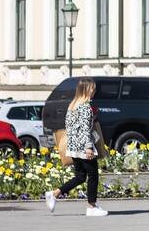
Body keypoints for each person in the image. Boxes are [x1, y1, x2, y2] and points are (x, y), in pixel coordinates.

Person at [45, 78, 108, 216]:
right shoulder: (85, 107)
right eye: (92, 88)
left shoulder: (72, 105)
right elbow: (85, 129)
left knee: (80, 176)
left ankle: (54, 194)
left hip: (73, 147)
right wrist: (89, 147)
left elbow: (69, 127)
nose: (94, 91)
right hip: (83, 147)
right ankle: (91, 207)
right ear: (86, 89)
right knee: (93, 175)